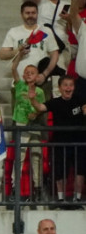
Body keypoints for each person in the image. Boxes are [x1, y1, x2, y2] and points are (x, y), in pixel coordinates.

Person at [30, 74, 86, 204]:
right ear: (60, 88)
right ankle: (61, 199)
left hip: (79, 142)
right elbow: (40, 107)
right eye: (65, 85)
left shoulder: (80, 99)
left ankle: (77, 199)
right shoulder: (55, 102)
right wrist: (32, 99)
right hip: (60, 142)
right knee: (60, 171)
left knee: (80, 170)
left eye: (71, 85)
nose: (68, 88)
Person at [0, 0, 59, 95]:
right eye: (27, 13)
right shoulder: (13, 32)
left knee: (43, 105)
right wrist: (18, 51)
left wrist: (44, 74)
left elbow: (55, 54)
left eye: (33, 13)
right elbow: (2, 55)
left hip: (41, 82)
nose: (31, 15)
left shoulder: (46, 31)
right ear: (21, 14)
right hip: (20, 81)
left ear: (37, 14)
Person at [12, 60, 45, 200]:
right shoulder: (19, 85)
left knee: (36, 156)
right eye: (27, 73)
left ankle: (38, 188)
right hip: (21, 123)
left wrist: (36, 114)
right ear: (24, 76)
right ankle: (15, 188)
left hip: (35, 125)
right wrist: (19, 54)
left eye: (32, 73)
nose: (29, 74)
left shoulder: (40, 91)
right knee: (19, 156)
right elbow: (13, 67)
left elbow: (42, 108)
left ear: (37, 76)